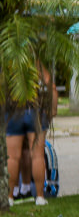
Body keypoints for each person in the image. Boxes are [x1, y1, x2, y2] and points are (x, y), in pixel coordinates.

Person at [7, 64, 57, 206]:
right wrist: (52, 109)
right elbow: (50, 86)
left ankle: (10, 197)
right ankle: (40, 197)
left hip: (13, 111)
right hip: (36, 110)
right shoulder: (35, 61)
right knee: (37, 155)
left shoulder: (8, 58)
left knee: (12, 157)